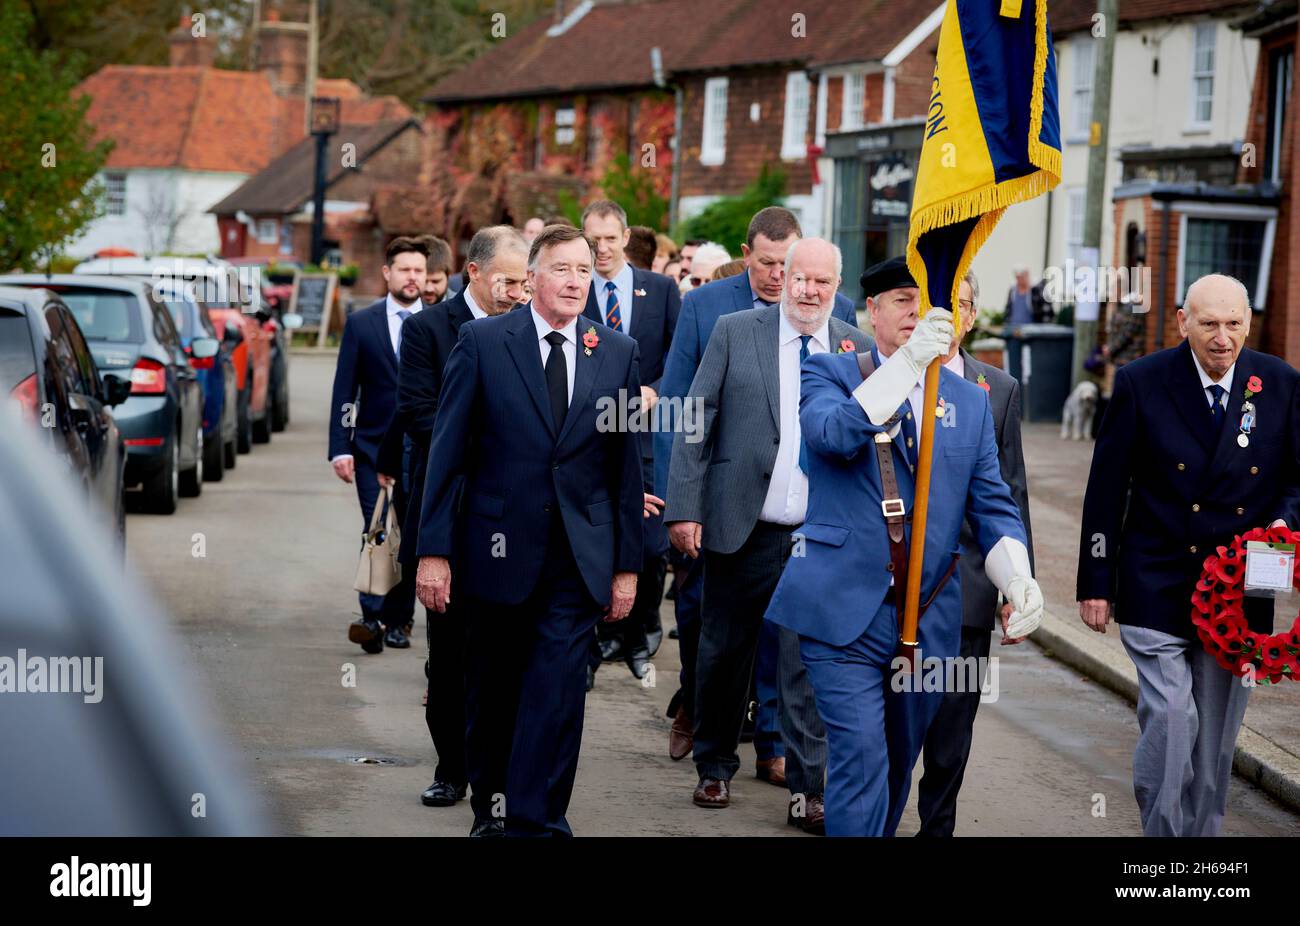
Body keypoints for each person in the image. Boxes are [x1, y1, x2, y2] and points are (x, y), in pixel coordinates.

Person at [765, 255, 1042, 836]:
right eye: (901, 301)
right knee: (861, 754)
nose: (916, 314)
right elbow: (833, 435)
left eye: (928, 304)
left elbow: (993, 506)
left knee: (893, 768)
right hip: (841, 611)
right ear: (872, 311)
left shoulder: (969, 403)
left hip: (926, 619)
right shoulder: (831, 371)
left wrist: (1017, 577)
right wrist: (907, 367)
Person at [414, 224, 645, 837]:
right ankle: (491, 807)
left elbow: (626, 467)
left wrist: (626, 566)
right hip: (495, 552)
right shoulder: (484, 342)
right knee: (494, 690)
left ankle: (539, 818)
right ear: (533, 279)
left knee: (557, 693)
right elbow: (447, 455)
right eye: (562, 269)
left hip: (578, 559)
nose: (575, 281)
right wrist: (433, 553)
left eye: (583, 271)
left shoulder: (616, 352)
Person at [1077, 273, 1300, 837]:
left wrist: (1282, 524)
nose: (1222, 338)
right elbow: (1107, 489)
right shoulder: (1141, 382)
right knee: (1174, 718)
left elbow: (1297, 482)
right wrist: (1095, 581)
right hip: (1156, 582)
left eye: (1233, 324)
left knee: (1216, 739)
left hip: (1238, 593)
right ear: (1183, 322)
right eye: (1208, 324)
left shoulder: (1281, 384)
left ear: (1249, 323)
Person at [665, 238, 871, 832]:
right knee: (725, 651)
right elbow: (696, 420)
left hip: (822, 536)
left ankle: (809, 790)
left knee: (808, 663)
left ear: (837, 287)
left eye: (821, 283)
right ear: (782, 277)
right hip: (743, 525)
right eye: (797, 278)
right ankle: (715, 766)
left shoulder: (853, 345)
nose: (807, 290)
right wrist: (684, 508)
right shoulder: (736, 330)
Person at [376, 226, 529, 810]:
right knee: (450, 651)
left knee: (503, 649)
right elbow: (417, 413)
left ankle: (502, 765)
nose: (518, 292)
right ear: (475, 273)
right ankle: (452, 767)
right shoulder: (426, 330)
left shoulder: (527, 328)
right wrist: (497, 443)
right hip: (447, 509)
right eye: (508, 282)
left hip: (512, 518)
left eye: (523, 281)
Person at [916, 270, 1033, 836]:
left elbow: (1010, 492)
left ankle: (936, 830)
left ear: (973, 314)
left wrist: (1017, 582)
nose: (953, 318)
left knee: (951, 731)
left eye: (963, 306)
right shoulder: (885, 371)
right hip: (895, 581)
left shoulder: (999, 389)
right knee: (889, 724)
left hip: (968, 587)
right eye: (942, 305)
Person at [581, 200, 681, 683]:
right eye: (592, 239)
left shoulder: (660, 290)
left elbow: (682, 356)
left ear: (626, 237)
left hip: (646, 434)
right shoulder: (576, 289)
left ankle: (642, 634)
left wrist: (656, 391)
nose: (601, 248)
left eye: (609, 238)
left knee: (648, 541)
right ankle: (599, 640)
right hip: (589, 434)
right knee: (594, 533)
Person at [329, 236, 429, 653]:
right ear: (387, 273)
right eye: (405, 269)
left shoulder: (438, 324)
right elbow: (344, 388)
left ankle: (398, 621)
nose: (413, 277)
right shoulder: (362, 323)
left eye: (420, 271)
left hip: (421, 450)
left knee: (410, 536)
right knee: (376, 530)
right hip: (371, 447)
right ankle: (370, 616)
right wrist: (341, 446)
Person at [418, 235, 454, 306]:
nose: (429, 289)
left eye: (435, 282)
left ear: (448, 276)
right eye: (423, 281)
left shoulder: (464, 307)